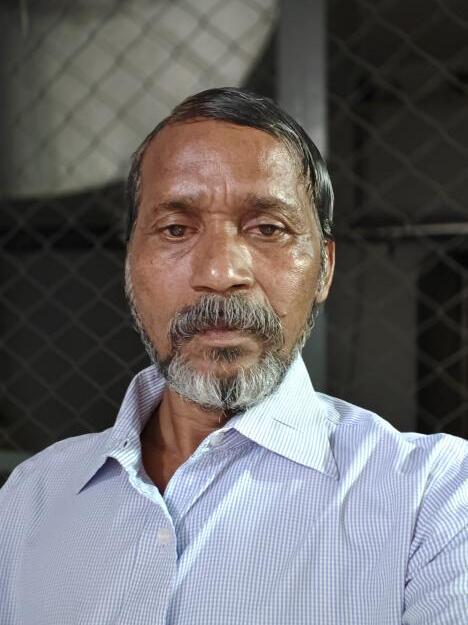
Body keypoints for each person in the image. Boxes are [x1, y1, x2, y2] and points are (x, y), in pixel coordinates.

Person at [0, 87, 466, 625]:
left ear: (325, 269)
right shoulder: (29, 499)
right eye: (176, 229)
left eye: (268, 229)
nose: (220, 273)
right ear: (130, 264)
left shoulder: (435, 499)